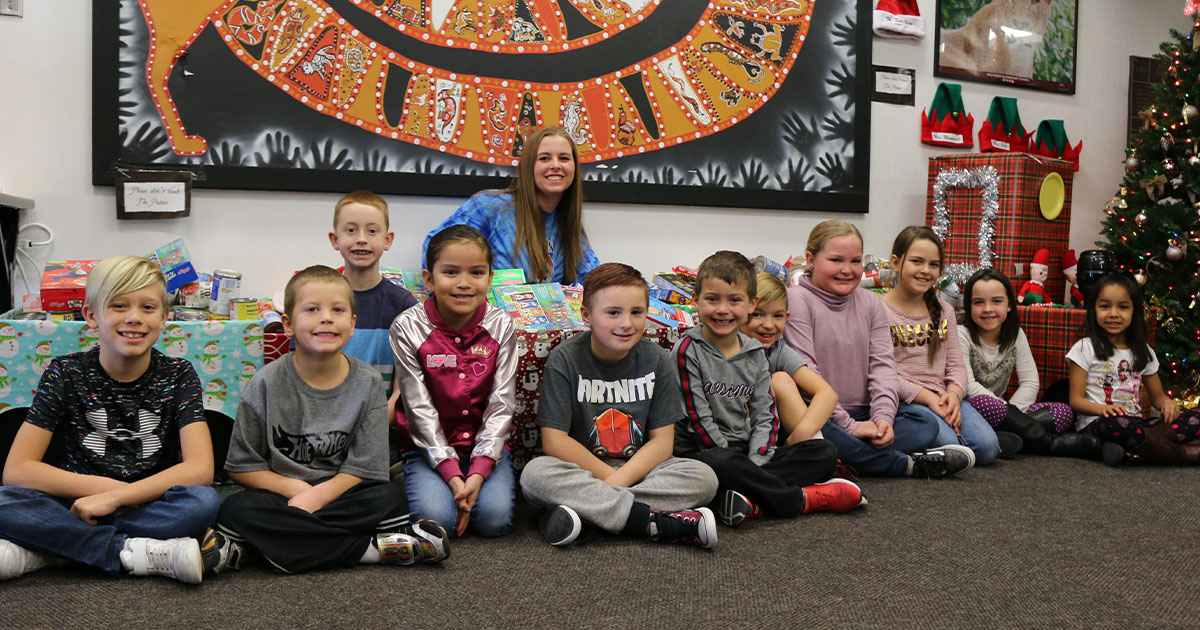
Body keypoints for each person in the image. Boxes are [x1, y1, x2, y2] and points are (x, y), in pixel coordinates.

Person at [205, 266, 448, 575]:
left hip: (344, 494)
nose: (326, 317)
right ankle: (369, 550)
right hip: (283, 495)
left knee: (390, 500)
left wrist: (319, 495)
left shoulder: (369, 383)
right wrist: (296, 490)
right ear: (288, 325)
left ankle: (263, 550)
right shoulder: (266, 383)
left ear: (352, 325)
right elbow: (242, 466)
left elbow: (368, 468)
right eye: (312, 309)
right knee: (234, 510)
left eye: (337, 309)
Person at [0, 255, 219, 583]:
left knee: (203, 502)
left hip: (147, 501)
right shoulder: (65, 372)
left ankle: (51, 551)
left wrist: (120, 498)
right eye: (119, 306)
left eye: (147, 308)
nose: (134, 318)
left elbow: (200, 469)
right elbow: (17, 471)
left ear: (164, 318)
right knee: (4, 502)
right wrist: (106, 490)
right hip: (77, 501)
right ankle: (130, 552)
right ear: (91, 315)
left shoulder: (179, 375)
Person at [520, 262, 720, 548]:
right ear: (587, 316)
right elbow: (554, 442)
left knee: (704, 477)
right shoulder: (565, 359)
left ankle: (586, 515)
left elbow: (663, 444)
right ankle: (651, 523)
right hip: (582, 470)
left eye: (636, 312)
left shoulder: (657, 360)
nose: (627, 323)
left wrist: (616, 483)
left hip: (641, 472)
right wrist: (610, 478)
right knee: (535, 475)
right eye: (613, 313)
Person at [673, 251, 865, 528]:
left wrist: (757, 460)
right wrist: (738, 462)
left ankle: (747, 498)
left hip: (745, 451)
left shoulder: (753, 352)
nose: (722, 309)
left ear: (751, 304)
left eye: (734, 300)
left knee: (823, 453)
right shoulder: (687, 350)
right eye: (712, 299)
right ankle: (797, 499)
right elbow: (698, 421)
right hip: (704, 451)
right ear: (696, 300)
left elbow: (766, 415)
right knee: (722, 463)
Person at [784, 220, 974, 479]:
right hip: (821, 414)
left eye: (855, 261)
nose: (847, 270)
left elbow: (884, 367)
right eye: (836, 260)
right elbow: (808, 374)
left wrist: (883, 417)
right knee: (818, 435)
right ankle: (907, 465)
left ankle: (846, 458)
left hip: (866, 411)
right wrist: (849, 426)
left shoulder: (869, 302)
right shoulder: (798, 299)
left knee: (926, 425)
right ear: (811, 259)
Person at [392, 225, 517, 537]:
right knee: (437, 522)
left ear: (490, 278)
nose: (464, 284)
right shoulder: (407, 327)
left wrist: (477, 473)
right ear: (429, 279)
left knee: (493, 521)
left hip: (485, 446)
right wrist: (451, 475)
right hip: (426, 448)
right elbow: (418, 409)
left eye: (476, 272)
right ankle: (408, 477)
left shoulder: (501, 325)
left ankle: (470, 486)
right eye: (450, 272)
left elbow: (502, 404)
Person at [882, 226, 1003, 465]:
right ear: (896, 263)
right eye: (917, 262)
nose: (925, 271)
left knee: (988, 448)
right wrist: (927, 398)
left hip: (943, 395)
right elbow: (881, 373)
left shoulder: (944, 310)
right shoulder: (879, 310)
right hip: (907, 400)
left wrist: (954, 395)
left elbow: (957, 366)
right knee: (952, 444)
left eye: (934, 265)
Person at [423, 127, 600, 285]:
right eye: (544, 158)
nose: (555, 165)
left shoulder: (567, 222)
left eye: (564, 158)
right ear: (528, 166)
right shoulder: (490, 207)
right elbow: (434, 247)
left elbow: (594, 280)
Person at [958, 268, 1098, 458]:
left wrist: (1013, 414)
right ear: (968, 306)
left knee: (1064, 411)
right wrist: (1006, 410)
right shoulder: (961, 335)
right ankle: (1049, 443)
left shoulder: (1015, 334)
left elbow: (1030, 381)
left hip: (1007, 411)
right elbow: (968, 387)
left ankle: (1007, 437)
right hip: (972, 410)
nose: (988, 309)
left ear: (1009, 305)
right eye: (978, 302)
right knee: (982, 401)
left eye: (997, 301)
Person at [1066, 273, 1200, 466]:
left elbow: (1157, 398)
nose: (1113, 313)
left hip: (1135, 423)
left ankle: (1132, 448)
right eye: (1105, 306)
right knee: (1119, 426)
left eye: (1123, 307)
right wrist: (1104, 409)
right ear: (1093, 310)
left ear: (1134, 311)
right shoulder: (1084, 348)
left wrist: (1168, 404)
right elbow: (1076, 401)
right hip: (1099, 423)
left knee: (1195, 418)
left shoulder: (1143, 351)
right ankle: (1180, 454)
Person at [326, 191, 418, 420]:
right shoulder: (318, 299)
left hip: (381, 426)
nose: (361, 239)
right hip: (324, 421)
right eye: (351, 230)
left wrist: (375, 423)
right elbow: (300, 371)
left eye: (372, 231)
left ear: (387, 240)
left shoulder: (404, 306)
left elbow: (405, 388)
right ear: (335, 240)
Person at [743, 272, 836, 444]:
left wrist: (802, 433)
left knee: (781, 380)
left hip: (773, 435)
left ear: (787, 317)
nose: (769, 325)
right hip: (733, 433)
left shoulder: (777, 349)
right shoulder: (729, 347)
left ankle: (811, 448)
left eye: (777, 316)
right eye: (757, 314)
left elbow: (827, 393)